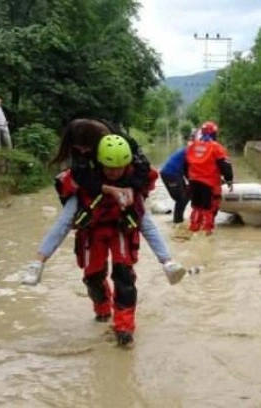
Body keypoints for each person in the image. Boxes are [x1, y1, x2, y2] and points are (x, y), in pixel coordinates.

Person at [21, 119, 186, 286]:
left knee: (144, 220)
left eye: (86, 147)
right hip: (92, 187)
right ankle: (38, 262)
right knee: (65, 219)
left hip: (127, 184)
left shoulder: (125, 142)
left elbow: (143, 168)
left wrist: (131, 187)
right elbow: (80, 176)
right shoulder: (81, 155)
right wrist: (108, 189)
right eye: (79, 148)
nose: (83, 151)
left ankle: (167, 262)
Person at [56, 134, 144, 345]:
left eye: (119, 168)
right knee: (92, 276)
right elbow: (62, 188)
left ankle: (124, 326)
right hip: (93, 232)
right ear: (99, 163)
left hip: (120, 230)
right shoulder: (84, 177)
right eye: (109, 168)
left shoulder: (135, 178)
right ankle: (102, 309)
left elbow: (144, 213)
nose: (114, 172)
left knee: (124, 276)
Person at [184, 121, 233, 234]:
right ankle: (207, 234)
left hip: (194, 181)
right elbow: (225, 165)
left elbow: (186, 164)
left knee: (196, 207)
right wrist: (229, 179)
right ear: (214, 133)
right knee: (209, 208)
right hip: (209, 183)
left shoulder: (192, 146)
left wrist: (189, 178)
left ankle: (194, 229)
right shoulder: (216, 147)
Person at [159, 133, 192, 224]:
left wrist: (191, 181)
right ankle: (177, 221)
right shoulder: (189, 151)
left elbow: (187, 169)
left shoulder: (186, 150)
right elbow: (189, 169)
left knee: (187, 193)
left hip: (176, 174)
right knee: (180, 199)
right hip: (171, 174)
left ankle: (179, 219)